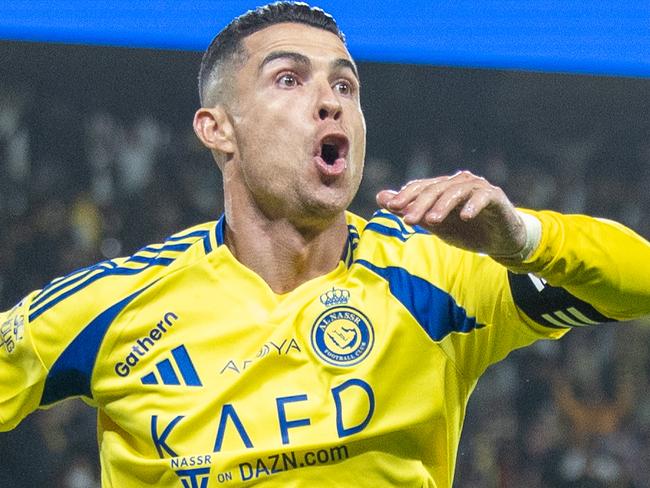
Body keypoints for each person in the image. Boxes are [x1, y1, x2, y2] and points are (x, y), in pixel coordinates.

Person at [1, 2, 649, 487]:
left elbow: (639, 281)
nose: (330, 102)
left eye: (345, 86)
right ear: (217, 128)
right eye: (289, 79)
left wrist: (524, 239)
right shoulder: (116, 306)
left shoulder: (440, 270)